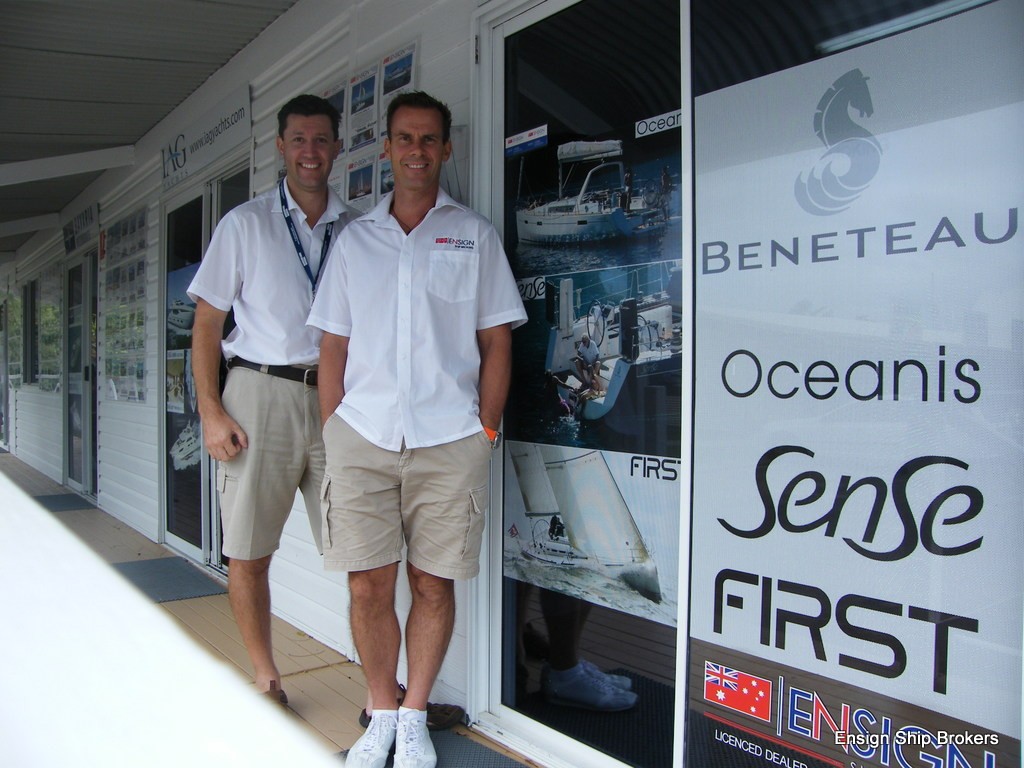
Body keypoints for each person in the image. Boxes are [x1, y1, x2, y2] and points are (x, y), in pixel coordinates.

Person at [308, 91, 527, 768]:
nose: (417, 151)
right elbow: (333, 349)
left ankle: (413, 715)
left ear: (446, 148)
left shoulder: (473, 235)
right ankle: (379, 708)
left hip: (448, 441)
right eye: (405, 139)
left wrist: (484, 432)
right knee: (367, 586)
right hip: (363, 438)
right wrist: (335, 430)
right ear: (387, 150)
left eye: (429, 139)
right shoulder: (355, 242)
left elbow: (497, 342)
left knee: (435, 584)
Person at [188, 93, 353, 705]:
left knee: (361, 548)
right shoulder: (245, 224)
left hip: (339, 399)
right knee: (249, 550)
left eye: (321, 140)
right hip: (259, 393)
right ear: (281, 147)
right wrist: (211, 410)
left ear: (337, 147)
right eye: (299, 140)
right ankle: (266, 677)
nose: (311, 152)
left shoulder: (358, 227)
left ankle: (382, 685)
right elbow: (207, 326)